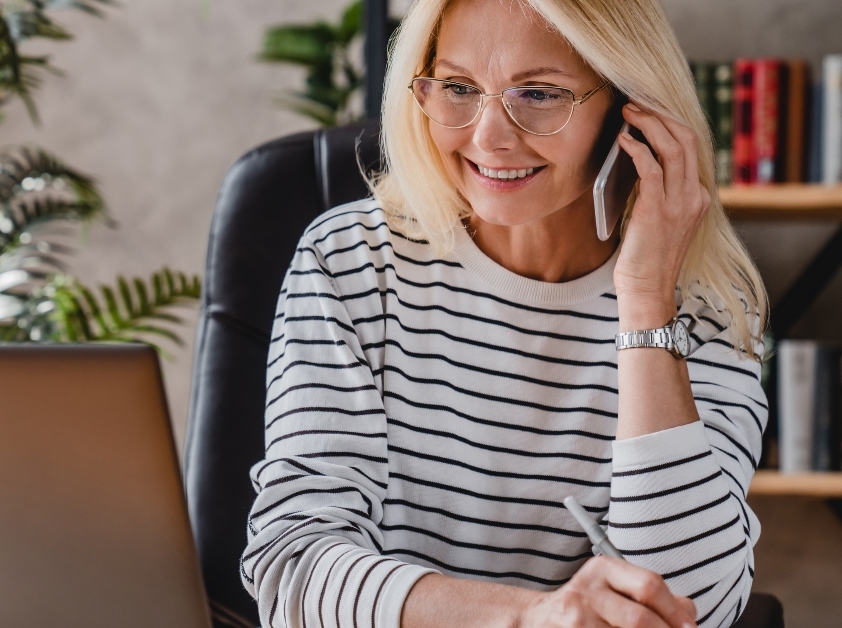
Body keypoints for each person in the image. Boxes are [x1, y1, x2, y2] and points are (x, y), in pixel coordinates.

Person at [240, 0, 768, 626]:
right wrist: (530, 618)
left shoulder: (709, 310)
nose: (488, 136)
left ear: (631, 114)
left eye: (539, 94)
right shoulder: (351, 261)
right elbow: (294, 568)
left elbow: (688, 608)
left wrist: (646, 299)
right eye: (458, 88)